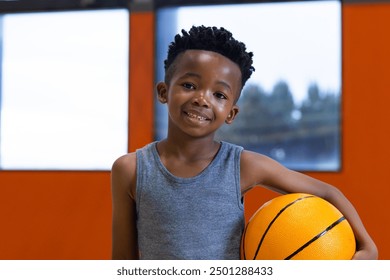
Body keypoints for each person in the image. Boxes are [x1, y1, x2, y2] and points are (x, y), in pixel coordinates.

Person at [111, 25, 378, 260]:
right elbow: (123, 259)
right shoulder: (131, 169)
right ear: (163, 92)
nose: (202, 99)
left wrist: (368, 247)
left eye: (219, 94)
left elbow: (329, 193)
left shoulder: (241, 166)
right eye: (190, 85)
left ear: (231, 113)